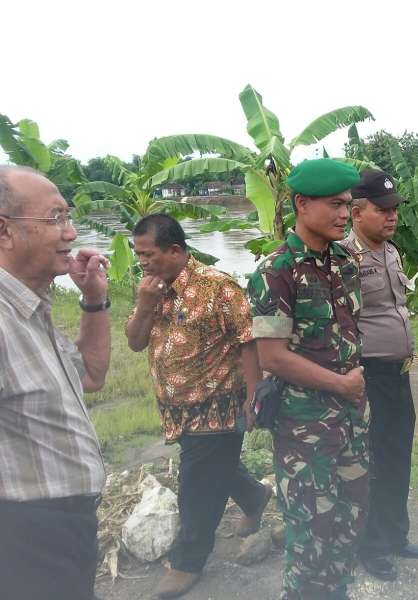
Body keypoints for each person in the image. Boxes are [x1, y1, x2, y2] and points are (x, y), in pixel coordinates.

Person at [125, 214, 267, 599]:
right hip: (176, 407)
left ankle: (189, 561)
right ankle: (255, 498)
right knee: (214, 466)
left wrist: (254, 397)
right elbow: (135, 342)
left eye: (148, 254)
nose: (143, 262)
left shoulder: (218, 287)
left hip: (216, 405)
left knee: (196, 485)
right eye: (137, 255)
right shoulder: (151, 290)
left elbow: (247, 341)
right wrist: (143, 305)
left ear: (175, 250)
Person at [247, 159, 369, 600]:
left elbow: (350, 332)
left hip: (352, 421)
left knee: (350, 523)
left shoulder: (344, 261)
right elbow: (272, 357)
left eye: (349, 205)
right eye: (335, 204)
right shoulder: (275, 271)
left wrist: (353, 394)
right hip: (305, 429)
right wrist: (339, 385)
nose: (344, 214)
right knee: (310, 534)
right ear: (302, 204)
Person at [0, 166, 110, 600]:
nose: (71, 232)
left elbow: (90, 376)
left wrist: (95, 299)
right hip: (25, 538)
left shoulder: (31, 306)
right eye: (56, 218)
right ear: (5, 232)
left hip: (64, 529)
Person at [342, 169, 418, 581]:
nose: (392, 217)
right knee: (372, 461)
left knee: (398, 457)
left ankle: (396, 534)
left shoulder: (391, 252)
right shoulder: (343, 257)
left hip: (400, 375)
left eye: (394, 209)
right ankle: (370, 544)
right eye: (382, 210)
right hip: (369, 375)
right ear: (357, 213)